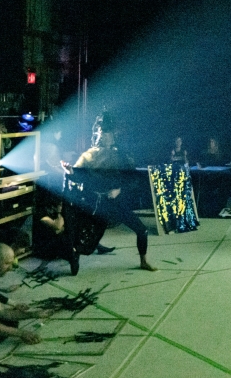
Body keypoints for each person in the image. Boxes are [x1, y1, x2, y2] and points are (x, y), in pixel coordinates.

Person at [69, 116, 156, 271]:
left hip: (115, 201)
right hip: (97, 202)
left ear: (112, 135)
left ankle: (143, 261)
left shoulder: (120, 155)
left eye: (106, 133)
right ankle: (74, 255)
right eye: (100, 133)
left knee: (141, 229)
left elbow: (132, 178)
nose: (103, 135)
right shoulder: (89, 154)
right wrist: (69, 170)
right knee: (89, 237)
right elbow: (77, 174)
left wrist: (119, 189)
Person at [32, 190, 79, 275]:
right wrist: (59, 213)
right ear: (52, 207)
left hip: (57, 239)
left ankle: (75, 253)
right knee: (60, 240)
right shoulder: (42, 215)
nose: (61, 207)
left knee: (69, 234)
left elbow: (61, 228)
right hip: (45, 242)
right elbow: (57, 226)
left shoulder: (58, 213)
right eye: (59, 205)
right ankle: (73, 255)